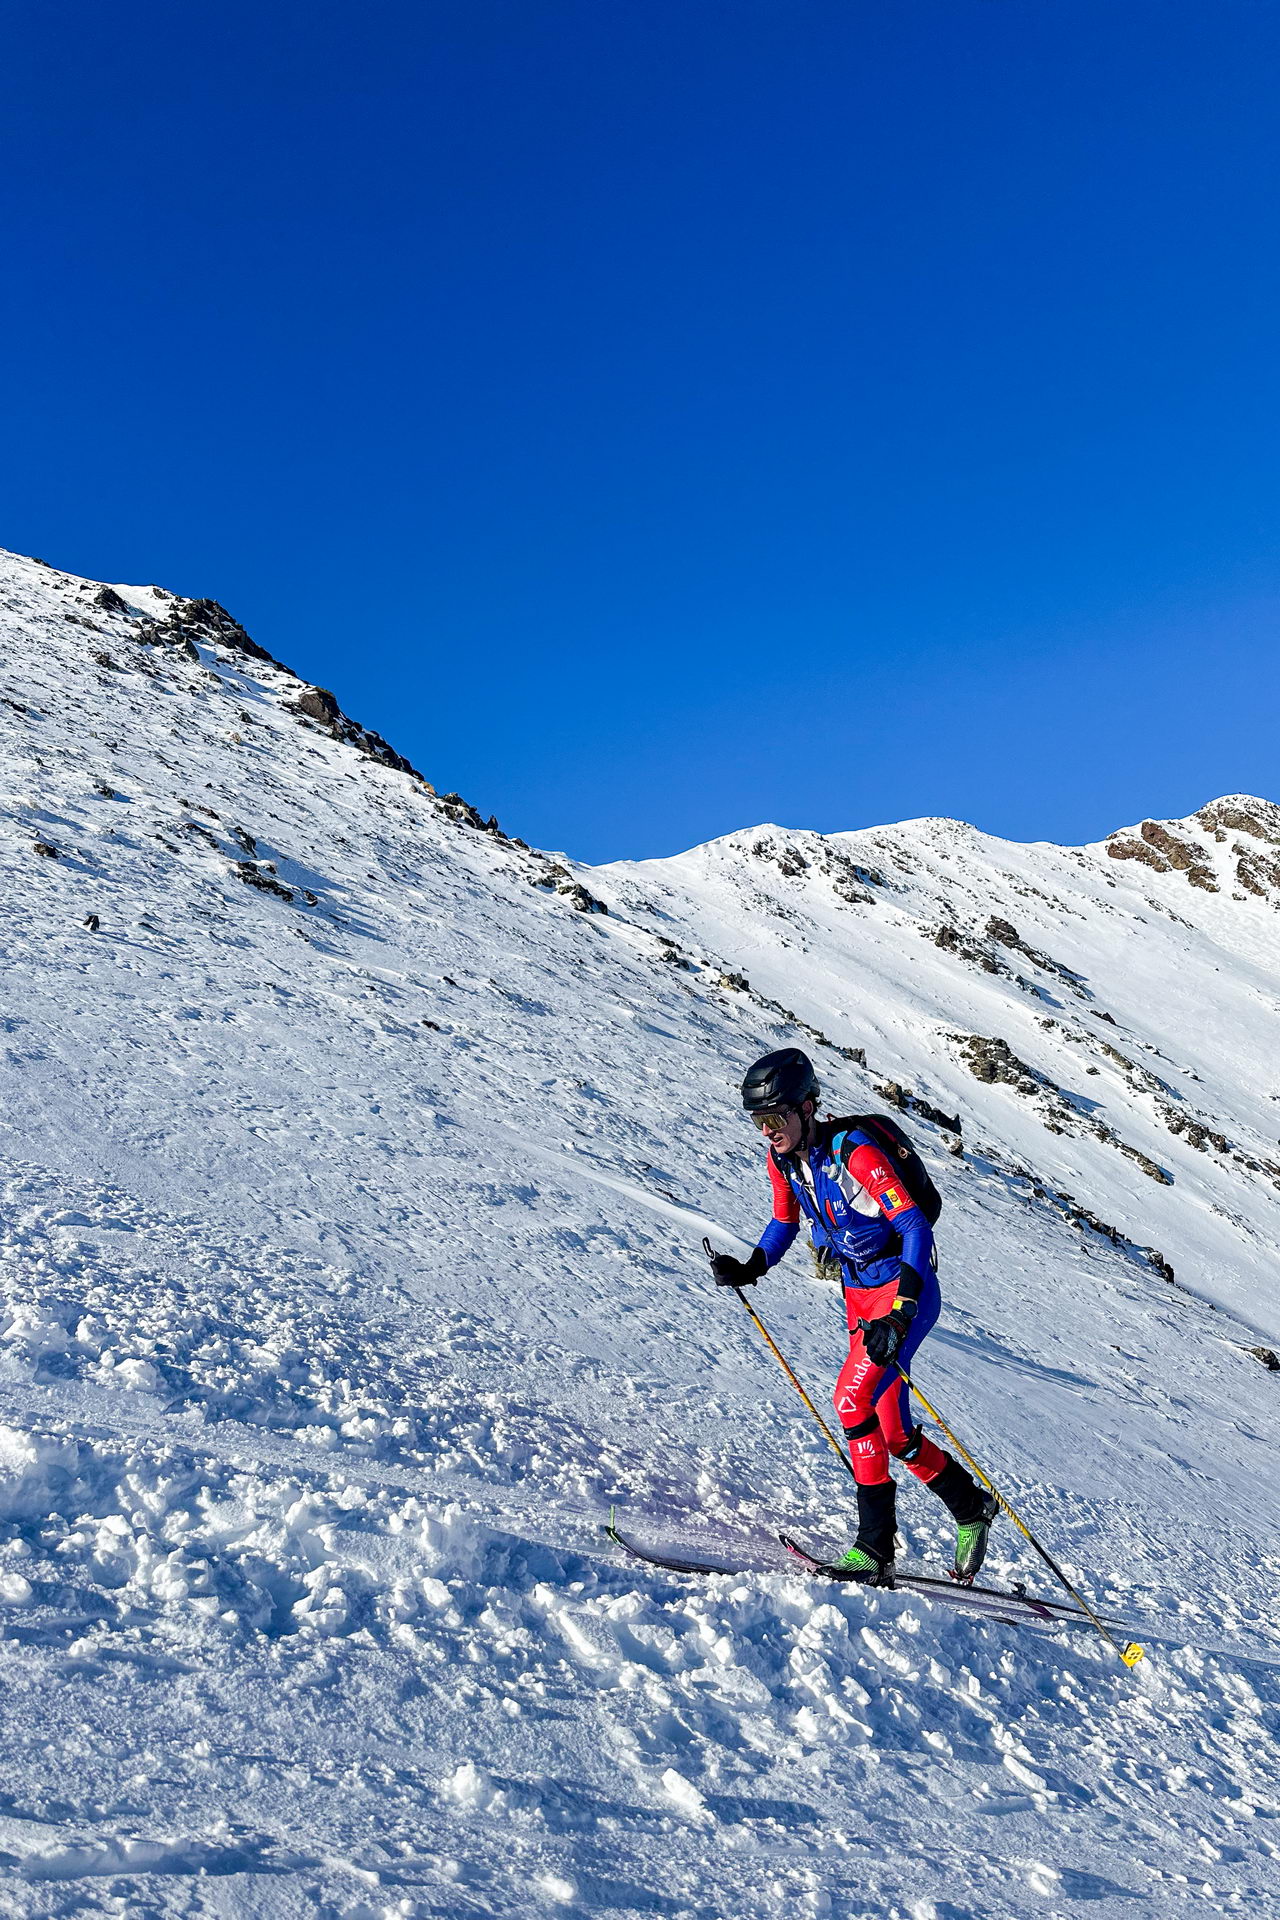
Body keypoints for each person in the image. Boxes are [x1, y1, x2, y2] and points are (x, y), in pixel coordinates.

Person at [709, 1046, 997, 1584]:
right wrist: (752, 1265)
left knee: (849, 1399)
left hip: (903, 1292)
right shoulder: (783, 1161)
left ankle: (873, 1549)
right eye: (758, 1121)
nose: (767, 1131)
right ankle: (970, 1507)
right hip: (859, 1296)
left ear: (808, 1107)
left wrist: (901, 1311)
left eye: (775, 1118)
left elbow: (914, 1228)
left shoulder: (856, 1154)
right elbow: (784, 1222)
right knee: (892, 1432)